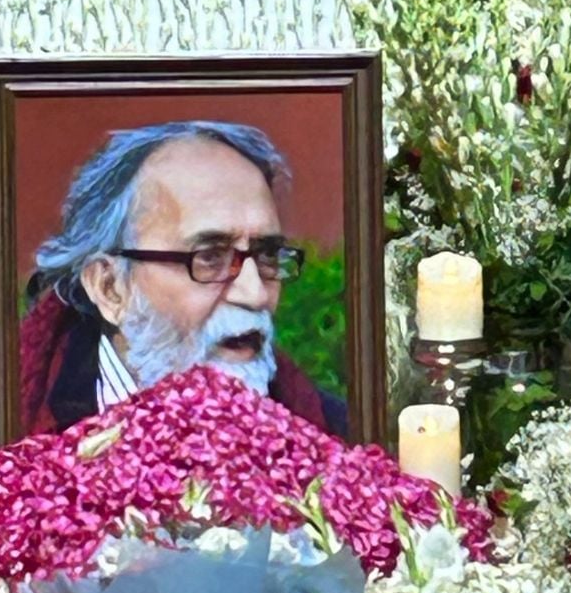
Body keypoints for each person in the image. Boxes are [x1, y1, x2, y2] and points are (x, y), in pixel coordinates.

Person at [19, 120, 347, 436]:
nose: (255, 294)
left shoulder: (334, 432)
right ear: (110, 289)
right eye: (210, 257)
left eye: (267, 255)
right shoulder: (13, 430)